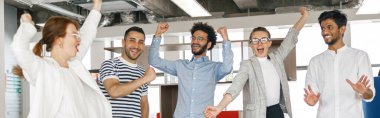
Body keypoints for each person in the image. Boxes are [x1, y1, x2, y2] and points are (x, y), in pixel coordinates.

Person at [11, 0, 112, 117]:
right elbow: (19, 49)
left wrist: (97, 5)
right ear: (59, 40)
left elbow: (87, 33)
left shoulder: (74, 66)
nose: (79, 39)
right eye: (74, 35)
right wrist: (26, 25)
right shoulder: (44, 69)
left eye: (78, 35)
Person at [204, 7, 309, 118]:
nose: (259, 43)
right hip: (257, 113)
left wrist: (305, 16)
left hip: (276, 111)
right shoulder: (247, 64)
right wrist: (219, 108)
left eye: (263, 39)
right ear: (250, 45)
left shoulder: (276, 58)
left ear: (269, 43)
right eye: (255, 40)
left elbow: (291, 37)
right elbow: (235, 86)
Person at [149, 22, 233, 118]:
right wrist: (158, 35)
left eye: (200, 39)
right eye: (193, 38)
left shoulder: (214, 68)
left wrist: (225, 39)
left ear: (209, 45)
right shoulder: (181, 65)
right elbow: (154, 61)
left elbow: (227, 67)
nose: (195, 41)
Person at [303, 10, 375, 118]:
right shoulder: (315, 62)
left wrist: (365, 92)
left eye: (329, 27)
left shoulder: (360, 57)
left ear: (342, 29)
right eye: (322, 28)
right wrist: (311, 101)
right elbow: (312, 94)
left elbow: (370, 95)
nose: (324, 32)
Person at [99, 26, 156, 118]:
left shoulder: (142, 72)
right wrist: (145, 79)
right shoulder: (110, 64)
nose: (136, 46)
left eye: (140, 42)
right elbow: (114, 91)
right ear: (123, 42)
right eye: (132, 40)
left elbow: (144, 104)